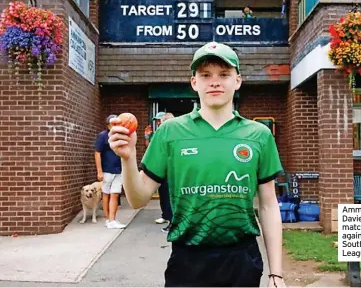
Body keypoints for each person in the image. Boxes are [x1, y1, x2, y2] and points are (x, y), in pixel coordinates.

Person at [108, 42, 285, 287]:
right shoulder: (170, 131)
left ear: (238, 81)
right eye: (206, 75)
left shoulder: (259, 135)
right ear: (194, 82)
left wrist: (276, 273)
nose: (215, 82)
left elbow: (268, 205)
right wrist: (127, 158)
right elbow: (138, 199)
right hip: (187, 261)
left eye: (224, 75)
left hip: (241, 260)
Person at [94, 115, 126, 229]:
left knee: (115, 194)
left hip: (118, 169)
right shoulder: (103, 135)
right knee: (106, 194)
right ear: (108, 124)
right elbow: (97, 153)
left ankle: (112, 219)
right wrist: (99, 171)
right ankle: (108, 219)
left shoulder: (120, 136)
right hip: (107, 169)